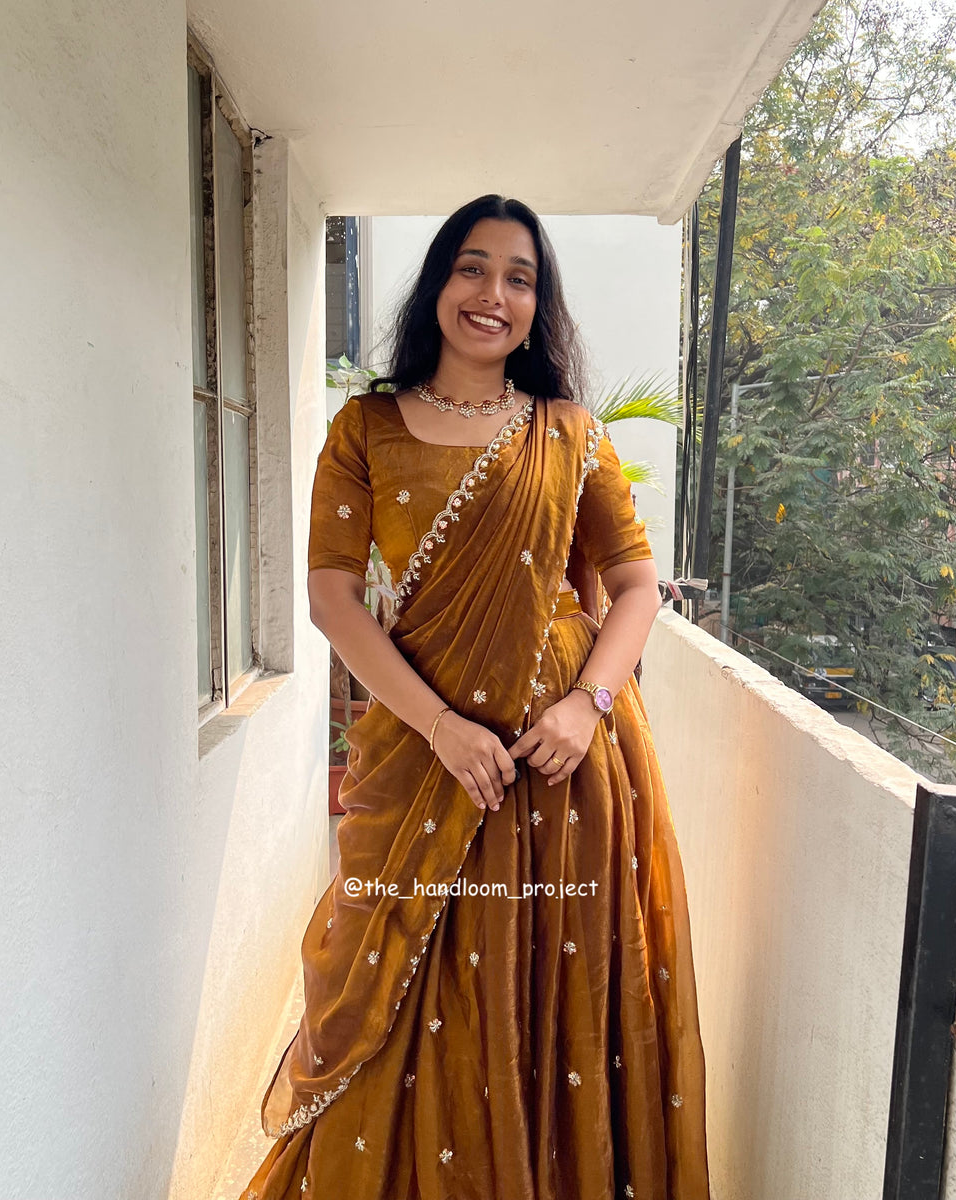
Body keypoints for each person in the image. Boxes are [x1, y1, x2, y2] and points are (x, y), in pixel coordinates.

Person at [240, 195, 709, 1200]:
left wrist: (586, 706)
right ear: (438, 286)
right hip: (426, 759)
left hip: (563, 769)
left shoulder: (570, 433)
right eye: (472, 267)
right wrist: (442, 726)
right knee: (406, 985)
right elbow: (331, 599)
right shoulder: (365, 428)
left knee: (550, 988)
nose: (493, 293)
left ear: (537, 307)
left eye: (519, 277)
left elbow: (635, 587)